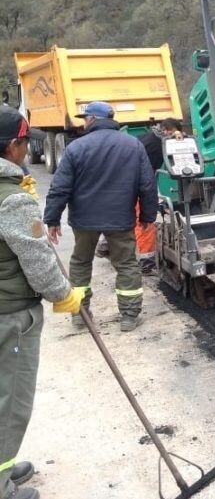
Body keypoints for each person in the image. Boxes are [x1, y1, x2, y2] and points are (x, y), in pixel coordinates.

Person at [0, 108, 84, 499]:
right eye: (22, 143)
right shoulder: (11, 199)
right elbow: (35, 257)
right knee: (10, 400)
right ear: (13, 146)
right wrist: (63, 295)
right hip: (11, 315)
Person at [43, 101, 157, 332]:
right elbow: (147, 185)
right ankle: (129, 317)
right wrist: (147, 216)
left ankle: (80, 315)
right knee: (126, 264)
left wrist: (53, 219)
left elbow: (60, 186)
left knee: (80, 263)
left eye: (85, 119)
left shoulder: (77, 147)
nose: (83, 122)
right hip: (120, 218)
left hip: (84, 220)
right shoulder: (133, 145)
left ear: (93, 119)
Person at [135, 118, 183, 273]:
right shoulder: (153, 143)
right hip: (138, 182)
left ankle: (106, 244)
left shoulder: (153, 138)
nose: (172, 135)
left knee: (128, 216)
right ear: (165, 130)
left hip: (138, 179)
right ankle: (146, 261)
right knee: (144, 220)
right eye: (171, 132)